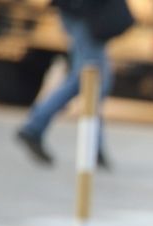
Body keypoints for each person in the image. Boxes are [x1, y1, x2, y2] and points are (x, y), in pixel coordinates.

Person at [16, 0, 134, 167]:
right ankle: (35, 127)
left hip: (85, 11)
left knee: (93, 80)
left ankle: (94, 145)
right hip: (82, 10)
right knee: (86, 78)